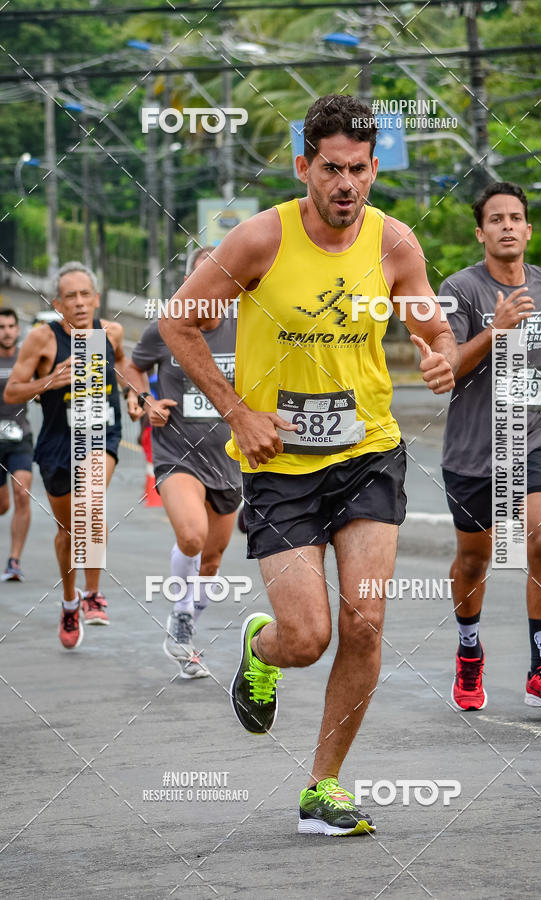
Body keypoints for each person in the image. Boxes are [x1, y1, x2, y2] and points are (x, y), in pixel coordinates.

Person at [160, 94, 459, 836]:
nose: (346, 185)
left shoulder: (395, 243)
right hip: (280, 467)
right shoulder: (260, 240)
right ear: (304, 167)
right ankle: (263, 649)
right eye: (331, 169)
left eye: (359, 169)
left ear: (374, 168)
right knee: (308, 637)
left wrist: (438, 353)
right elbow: (176, 320)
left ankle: (323, 787)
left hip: (368, 455)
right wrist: (238, 412)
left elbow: (431, 322)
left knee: (366, 623)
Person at [440, 181, 541, 712]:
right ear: (480, 231)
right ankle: (467, 652)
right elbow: (450, 364)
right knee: (474, 560)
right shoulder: (459, 289)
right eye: (496, 218)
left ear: (528, 229)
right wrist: (497, 330)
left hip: (533, 435)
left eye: (516, 217)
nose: (507, 225)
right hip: (472, 451)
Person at [126, 246, 241, 679]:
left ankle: (188, 622)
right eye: (200, 280)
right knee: (192, 538)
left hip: (229, 459)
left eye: (219, 280)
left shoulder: (244, 326)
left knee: (212, 560)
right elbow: (135, 370)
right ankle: (179, 615)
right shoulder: (167, 326)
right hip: (177, 450)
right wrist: (144, 400)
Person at [4, 262, 127, 648]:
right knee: (68, 531)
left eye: (84, 294)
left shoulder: (111, 332)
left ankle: (93, 595)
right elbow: (12, 392)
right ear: (58, 304)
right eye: (69, 296)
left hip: (102, 433)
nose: (78, 303)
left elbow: (122, 366)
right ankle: (70, 601)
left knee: (92, 503)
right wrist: (51, 380)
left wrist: (138, 399)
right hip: (57, 445)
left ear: (96, 298)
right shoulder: (43, 338)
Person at [0, 309, 32, 581]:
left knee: (22, 493)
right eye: (1, 326)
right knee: (2, 505)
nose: (7, 331)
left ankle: (14, 561)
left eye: (11, 325)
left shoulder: (26, 358)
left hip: (20, 436)